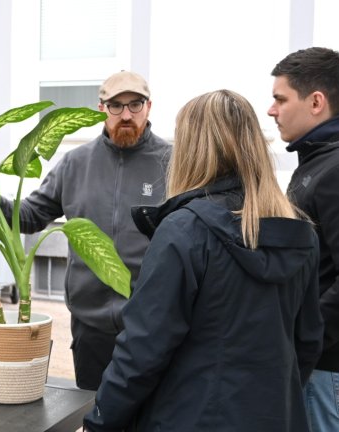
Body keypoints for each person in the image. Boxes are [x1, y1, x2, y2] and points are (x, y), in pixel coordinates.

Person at [83, 89, 323, 431]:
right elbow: (308, 341)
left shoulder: (185, 230)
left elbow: (142, 350)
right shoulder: (299, 232)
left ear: (191, 150)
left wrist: (99, 422)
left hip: (190, 418)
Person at [0, 71, 170, 390]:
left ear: (149, 107)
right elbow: (32, 215)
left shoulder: (173, 162)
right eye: (116, 106)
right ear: (101, 108)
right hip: (91, 325)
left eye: (135, 105)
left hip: (151, 324)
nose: (126, 115)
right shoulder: (75, 163)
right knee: (94, 413)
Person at [268, 46, 339, 431]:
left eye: (280, 99)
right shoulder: (320, 162)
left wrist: (306, 342)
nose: (272, 110)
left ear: (316, 101)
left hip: (331, 372)